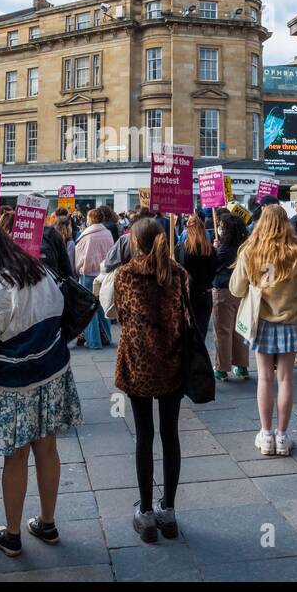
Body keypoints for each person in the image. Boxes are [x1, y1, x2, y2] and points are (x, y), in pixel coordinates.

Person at [0, 222, 83, 558]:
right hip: (52, 372)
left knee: (15, 455)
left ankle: (12, 534)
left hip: (13, 383)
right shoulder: (41, 270)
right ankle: (47, 522)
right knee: (47, 449)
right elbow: (60, 310)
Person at [113, 217, 188, 543]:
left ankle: (145, 513)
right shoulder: (178, 274)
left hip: (138, 364)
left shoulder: (125, 275)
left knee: (144, 436)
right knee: (170, 434)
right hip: (172, 363)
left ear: (135, 242)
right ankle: (168, 511)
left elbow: (120, 315)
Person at [231, 205, 297, 456]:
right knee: (286, 378)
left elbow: (236, 289)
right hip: (289, 319)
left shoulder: (250, 252)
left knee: (264, 378)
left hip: (261, 320)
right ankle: (282, 435)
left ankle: (266, 435)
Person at [209, 209, 249, 380]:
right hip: (241, 291)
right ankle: (241, 365)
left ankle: (221, 367)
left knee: (222, 331)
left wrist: (213, 250)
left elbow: (212, 268)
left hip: (223, 291)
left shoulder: (223, 250)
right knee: (239, 330)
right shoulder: (244, 247)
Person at [73, 209, 114, 349]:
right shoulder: (108, 233)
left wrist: (78, 270)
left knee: (89, 309)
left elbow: (79, 257)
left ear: (91, 219)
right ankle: (107, 337)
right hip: (104, 273)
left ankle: (93, 341)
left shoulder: (86, 236)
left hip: (88, 274)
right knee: (103, 305)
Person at [176, 213, 216, 343]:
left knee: (185, 337)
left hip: (186, 296)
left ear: (188, 229)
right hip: (205, 295)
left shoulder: (180, 249)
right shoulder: (211, 250)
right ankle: (199, 362)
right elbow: (213, 273)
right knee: (200, 336)